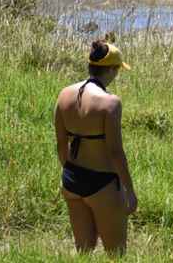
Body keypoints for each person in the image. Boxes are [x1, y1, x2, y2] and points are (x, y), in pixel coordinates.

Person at [55, 37, 136, 255]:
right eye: (117, 70)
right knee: (116, 254)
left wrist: (69, 171)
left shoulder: (64, 94)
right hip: (102, 183)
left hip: (72, 178)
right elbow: (115, 152)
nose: (117, 74)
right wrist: (129, 190)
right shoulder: (110, 103)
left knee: (83, 252)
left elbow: (61, 143)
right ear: (110, 70)